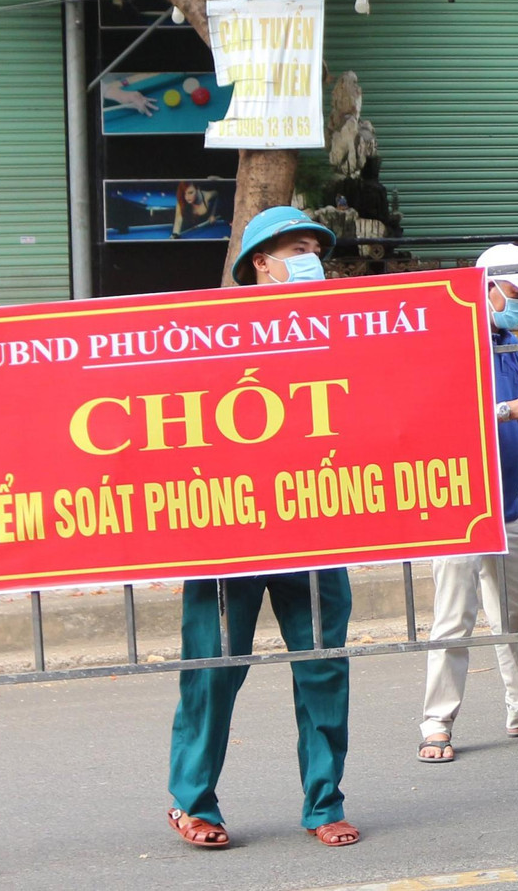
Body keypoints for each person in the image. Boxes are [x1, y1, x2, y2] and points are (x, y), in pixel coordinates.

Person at [167, 206, 360, 849]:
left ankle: (324, 803)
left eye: (317, 252)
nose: (312, 261)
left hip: (314, 524)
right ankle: (193, 802)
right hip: (229, 531)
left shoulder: (340, 330)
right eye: (298, 250)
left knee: (323, 668)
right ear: (260, 262)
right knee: (214, 671)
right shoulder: (208, 332)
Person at [417, 243, 518, 763]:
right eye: (515, 293)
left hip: (505, 504)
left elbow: (517, 419)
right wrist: (512, 408)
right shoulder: (448, 340)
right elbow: (436, 416)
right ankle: (436, 724)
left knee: (513, 614)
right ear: (484, 287)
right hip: (460, 505)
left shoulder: (509, 343)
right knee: (454, 620)